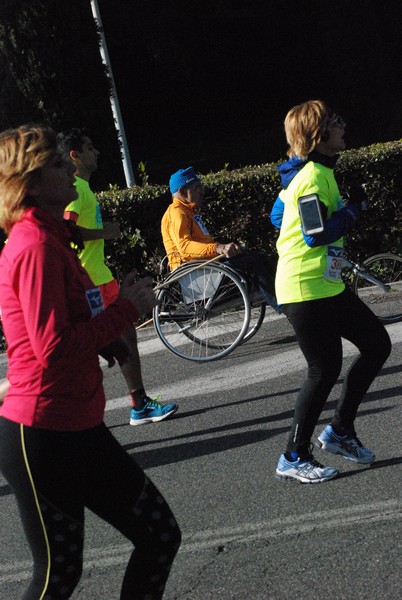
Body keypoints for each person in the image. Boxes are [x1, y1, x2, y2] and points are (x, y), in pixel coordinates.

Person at [0, 125, 181, 599]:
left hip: (78, 425)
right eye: (60, 164)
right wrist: (127, 311)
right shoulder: (35, 245)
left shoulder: (53, 237)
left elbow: (69, 318)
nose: (71, 169)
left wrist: (108, 341)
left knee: (159, 535)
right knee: (57, 575)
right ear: (31, 183)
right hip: (42, 431)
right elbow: (53, 348)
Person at [270, 99, 391, 483]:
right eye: (335, 121)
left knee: (376, 345)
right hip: (305, 287)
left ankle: (339, 431)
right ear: (318, 135)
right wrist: (352, 211)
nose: (343, 125)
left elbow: (278, 215)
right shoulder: (310, 177)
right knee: (323, 371)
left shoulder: (313, 173)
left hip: (324, 283)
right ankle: (293, 455)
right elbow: (315, 233)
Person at [57, 128, 177, 426]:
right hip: (91, 283)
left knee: (124, 340)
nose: (96, 152)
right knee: (115, 342)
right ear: (75, 155)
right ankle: (130, 407)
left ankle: (137, 404)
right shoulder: (76, 190)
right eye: (89, 147)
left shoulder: (83, 188)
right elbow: (64, 231)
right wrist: (104, 232)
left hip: (99, 278)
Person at [161, 166, 279, 310]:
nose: (201, 191)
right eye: (197, 188)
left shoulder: (189, 212)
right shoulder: (177, 213)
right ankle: (282, 306)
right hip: (195, 273)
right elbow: (184, 247)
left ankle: (281, 298)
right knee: (254, 263)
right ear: (182, 192)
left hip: (207, 266)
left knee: (258, 257)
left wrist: (222, 248)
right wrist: (219, 248)